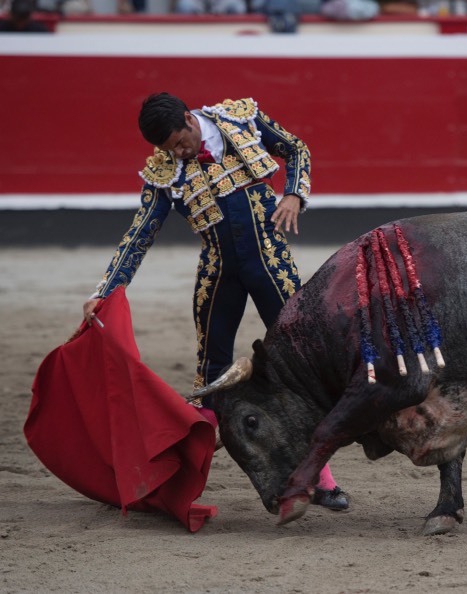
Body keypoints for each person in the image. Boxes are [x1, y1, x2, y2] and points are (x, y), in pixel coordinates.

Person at [82, 93, 349, 512]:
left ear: (190, 119)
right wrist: (107, 289)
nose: (179, 153)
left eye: (180, 142)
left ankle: (324, 479)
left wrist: (295, 194)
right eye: (169, 149)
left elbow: (296, 148)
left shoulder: (241, 120)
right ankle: (185, 485)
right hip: (217, 274)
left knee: (301, 365)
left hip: (271, 264)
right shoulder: (163, 170)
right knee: (209, 373)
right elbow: (140, 233)